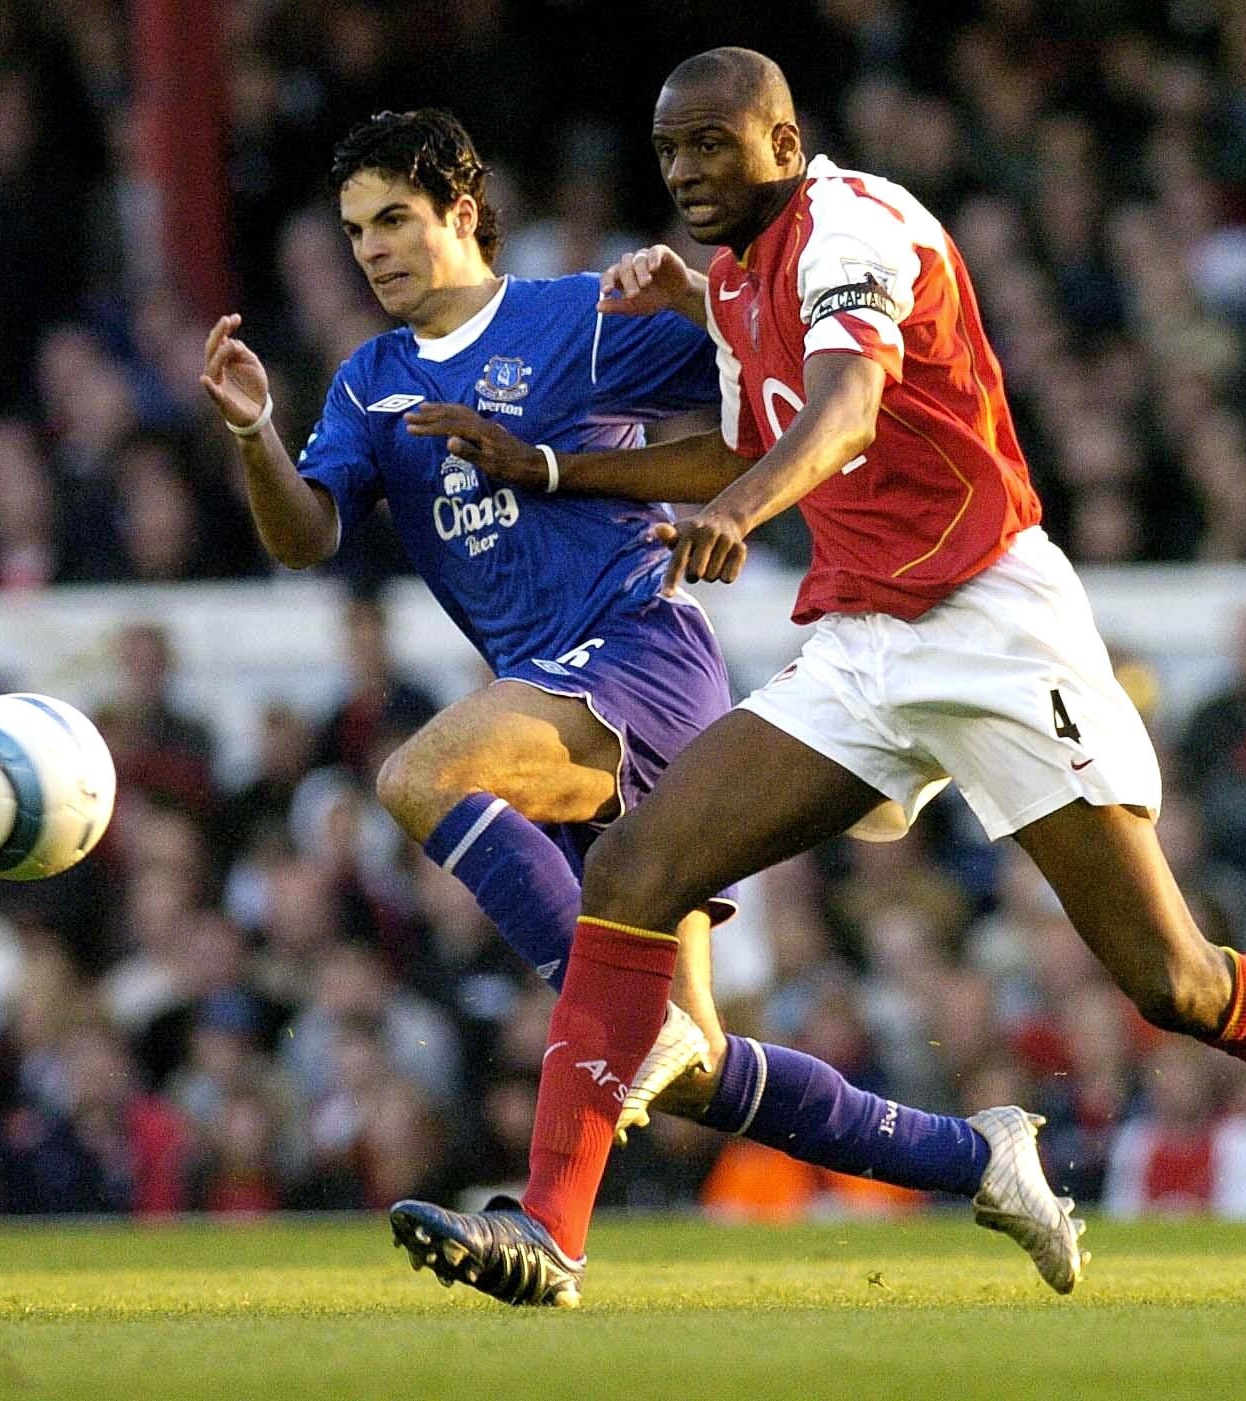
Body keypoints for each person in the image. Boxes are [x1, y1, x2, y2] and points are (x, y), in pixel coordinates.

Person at [391, 48, 1246, 1305]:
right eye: (669, 151)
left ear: (784, 141)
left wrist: (744, 507)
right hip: (866, 646)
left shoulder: (855, 226)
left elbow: (845, 416)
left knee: (1175, 982)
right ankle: (550, 1233)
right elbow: (747, 435)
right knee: (633, 869)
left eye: (712, 144)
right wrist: (557, 470)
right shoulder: (735, 281)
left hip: (995, 625)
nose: (686, 171)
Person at [201, 108, 1079, 1287]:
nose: (372, 250)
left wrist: (680, 404)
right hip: (548, 706)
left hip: (639, 657)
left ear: (462, 213)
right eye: (356, 231)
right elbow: (307, 538)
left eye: (395, 220)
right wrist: (256, 431)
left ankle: (590, 1056)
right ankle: (979, 1157)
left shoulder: (576, 318)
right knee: (701, 1065)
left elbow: (750, 411)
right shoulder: (370, 386)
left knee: (418, 776)